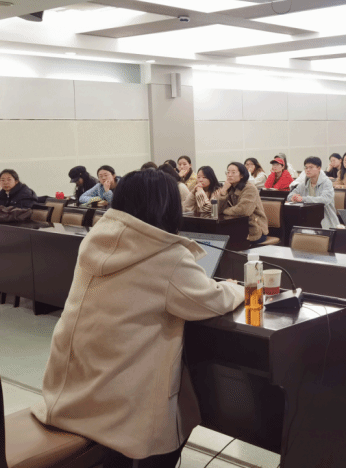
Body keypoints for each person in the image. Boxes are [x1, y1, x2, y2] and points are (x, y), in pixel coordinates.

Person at [32, 168, 243, 466]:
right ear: (167, 206)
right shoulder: (166, 255)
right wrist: (237, 288)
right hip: (123, 403)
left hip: (71, 390)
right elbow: (210, 301)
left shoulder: (96, 239)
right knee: (177, 426)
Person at [217, 162, 277, 245]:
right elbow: (218, 210)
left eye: (233, 172)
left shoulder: (249, 188)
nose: (229, 175)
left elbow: (243, 211)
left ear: (242, 175)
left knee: (227, 242)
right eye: (228, 172)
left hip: (254, 230)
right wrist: (223, 191)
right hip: (235, 227)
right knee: (217, 237)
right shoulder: (229, 187)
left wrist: (225, 210)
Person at [288, 157, 338, 229]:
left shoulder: (327, 183)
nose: (307, 170)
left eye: (311, 167)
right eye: (306, 168)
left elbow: (325, 199)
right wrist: (293, 197)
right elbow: (289, 196)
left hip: (326, 219)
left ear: (319, 168)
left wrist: (302, 199)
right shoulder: (304, 184)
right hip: (308, 218)